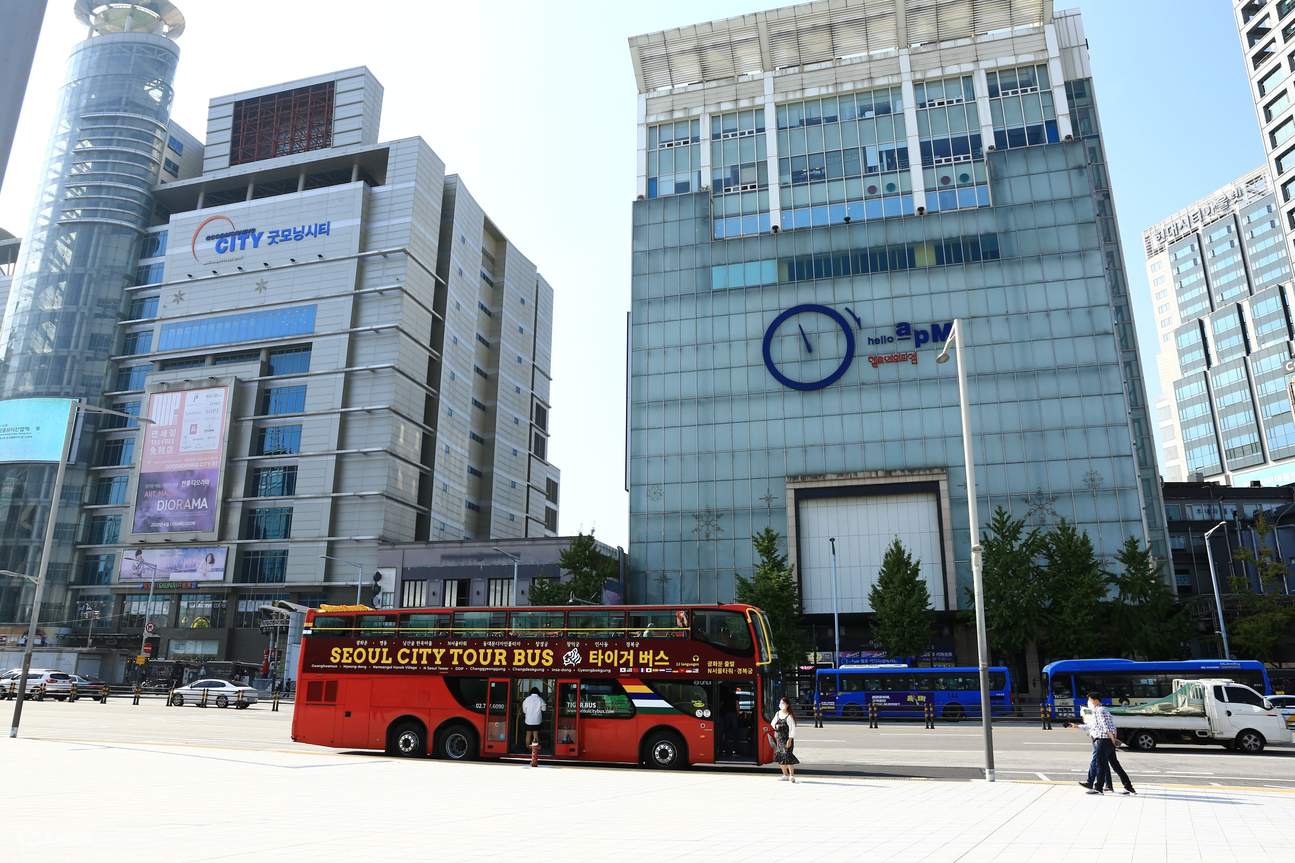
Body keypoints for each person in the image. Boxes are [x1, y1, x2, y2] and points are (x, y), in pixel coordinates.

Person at [1067, 691, 1134, 796]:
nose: (1088, 702)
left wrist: (1113, 740)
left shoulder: (1099, 711)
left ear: (1095, 700)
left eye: (1089, 700)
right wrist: (1075, 726)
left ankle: (1098, 788)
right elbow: (1093, 726)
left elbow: (1107, 726)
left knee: (1100, 764)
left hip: (1103, 740)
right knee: (1115, 765)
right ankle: (1129, 787)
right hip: (1107, 740)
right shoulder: (1101, 711)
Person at [772, 696, 800, 782]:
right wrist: (776, 728)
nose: (781, 705)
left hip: (787, 739)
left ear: (787, 705)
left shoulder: (789, 716)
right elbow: (772, 723)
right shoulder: (777, 713)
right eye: (780, 703)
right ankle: (785, 775)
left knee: (788, 756)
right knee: (781, 757)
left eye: (783, 703)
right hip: (779, 739)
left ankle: (791, 776)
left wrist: (790, 740)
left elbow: (792, 729)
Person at [522, 687, 545, 755]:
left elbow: (524, 711)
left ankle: (527, 748)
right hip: (537, 720)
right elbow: (544, 709)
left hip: (528, 720)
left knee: (528, 734)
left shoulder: (527, 699)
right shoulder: (540, 699)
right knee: (535, 734)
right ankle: (535, 750)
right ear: (538, 692)